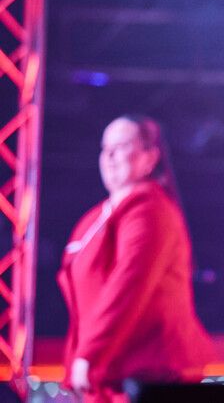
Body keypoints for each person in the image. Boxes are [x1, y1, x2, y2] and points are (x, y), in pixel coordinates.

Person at [58, 116, 213, 403]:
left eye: (122, 146)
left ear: (150, 157)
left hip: (148, 377)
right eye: (105, 147)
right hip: (108, 379)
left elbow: (127, 285)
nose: (110, 155)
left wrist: (89, 355)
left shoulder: (150, 211)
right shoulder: (93, 219)